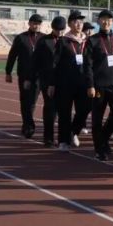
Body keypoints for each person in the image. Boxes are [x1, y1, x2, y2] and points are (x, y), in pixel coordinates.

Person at [83, 10, 113, 161]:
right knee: (97, 117)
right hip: (98, 87)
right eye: (103, 19)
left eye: (109, 20)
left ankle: (103, 138)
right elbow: (87, 65)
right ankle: (99, 148)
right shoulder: (93, 41)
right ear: (98, 22)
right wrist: (90, 85)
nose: (106, 22)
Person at [47, 10, 90, 152]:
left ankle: (74, 131)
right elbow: (54, 63)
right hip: (65, 83)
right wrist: (52, 83)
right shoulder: (63, 41)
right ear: (70, 24)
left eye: (81, 22)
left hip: (83, 82)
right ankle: (63, 141)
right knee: (64, 113)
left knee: (84, 109)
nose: (79, 24)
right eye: (76, 22)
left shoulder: (88, 41)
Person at [6, 13, 43, 138]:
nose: (36, 26)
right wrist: (8, 72)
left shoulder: (44, 38)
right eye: (34, 23)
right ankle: (28, 125)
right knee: (25, 101)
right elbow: (12, 55)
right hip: (24, 75)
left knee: (32, 101)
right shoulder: (21, 38)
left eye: (39, 24)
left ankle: (28, 125)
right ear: (29, 24)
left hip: (39, 76)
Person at [31, 16, 65, 146]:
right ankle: (48, 137)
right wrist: (30, 77)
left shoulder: (67, 41)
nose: (59, 32)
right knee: (50, 109)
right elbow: (35, 61)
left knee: (64, 110)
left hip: (64, 80)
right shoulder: (44, 41)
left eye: (62, 30)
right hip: (47, 80)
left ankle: (63, 138)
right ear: (52, 28)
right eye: (57, 30)